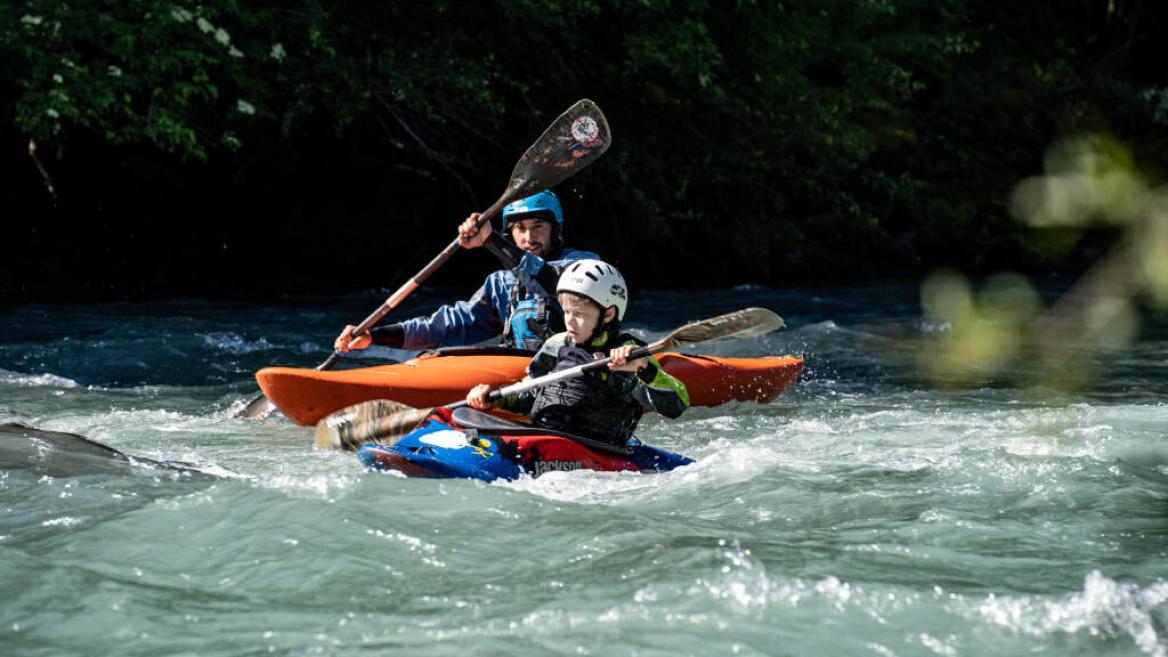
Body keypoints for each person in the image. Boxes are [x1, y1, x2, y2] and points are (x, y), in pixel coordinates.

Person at [334, 190, 599, 352]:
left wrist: (491, 241)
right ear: (511, 233)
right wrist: (375, 336)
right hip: (523, 380)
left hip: (572, 375)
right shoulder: (500, 285)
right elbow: (443, 328)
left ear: (555, 229)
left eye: (538, 226)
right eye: (520, 228)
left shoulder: (583, 266)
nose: (529, 237)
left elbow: (552, 282)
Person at [465, 259, 689, 446]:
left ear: (608, 315)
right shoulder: (557, 344)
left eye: (579, 314)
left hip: (596, 450)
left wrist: (644, 369)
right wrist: (495, 399)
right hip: (545, 438)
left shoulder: (631, 355)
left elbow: (677, 405)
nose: (569, 321)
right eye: (566, 311)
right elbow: (530, 393)